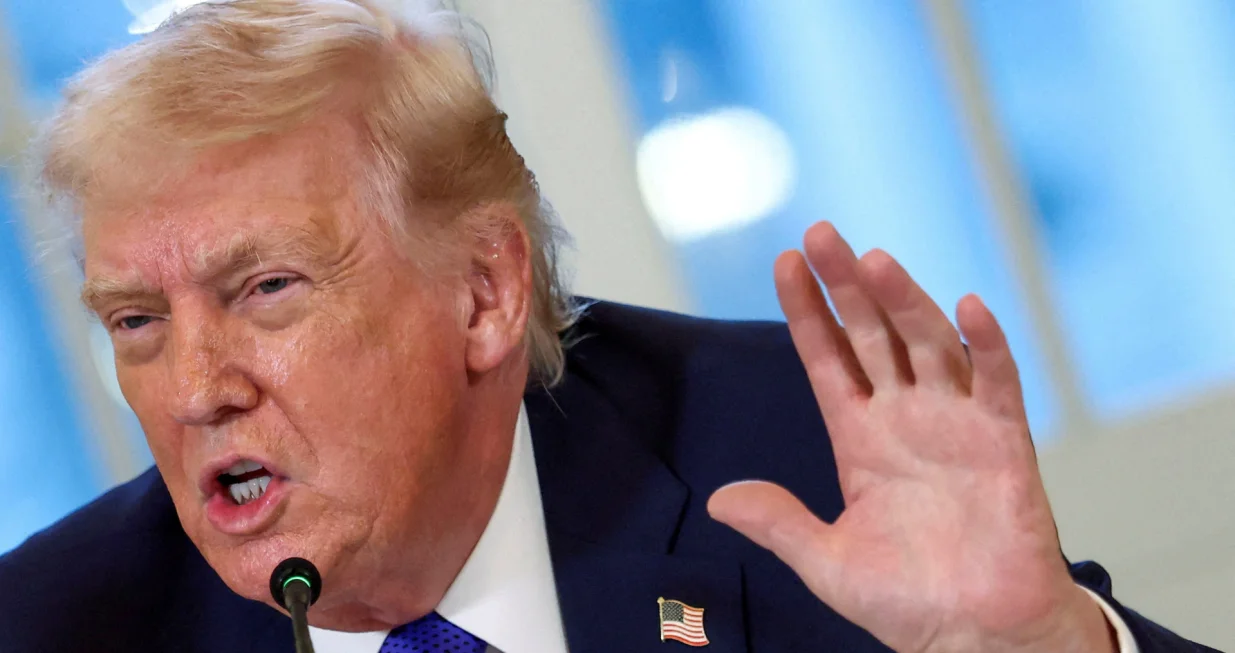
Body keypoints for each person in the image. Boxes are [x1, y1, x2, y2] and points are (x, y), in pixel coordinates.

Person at [0, 1, 1219, 652]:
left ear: (485, 291)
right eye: (139, 318)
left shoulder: (797, 454)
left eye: (266, 289)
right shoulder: (59, 625)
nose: (196, 385)